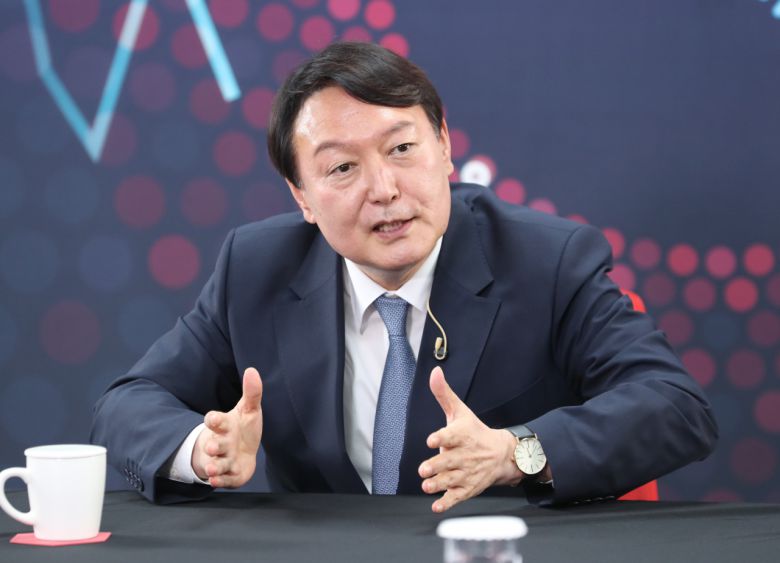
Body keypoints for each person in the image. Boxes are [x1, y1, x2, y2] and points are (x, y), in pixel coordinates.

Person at [91, 42, 717, 510]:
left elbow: (674, 406)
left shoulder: (547, 261)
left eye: (401, 149)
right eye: (342, 168)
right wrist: (201, 450)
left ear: (444, 146)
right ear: (301, 195)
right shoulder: (255, 270)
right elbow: (127, 404)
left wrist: (515, 453)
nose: (384, 189)